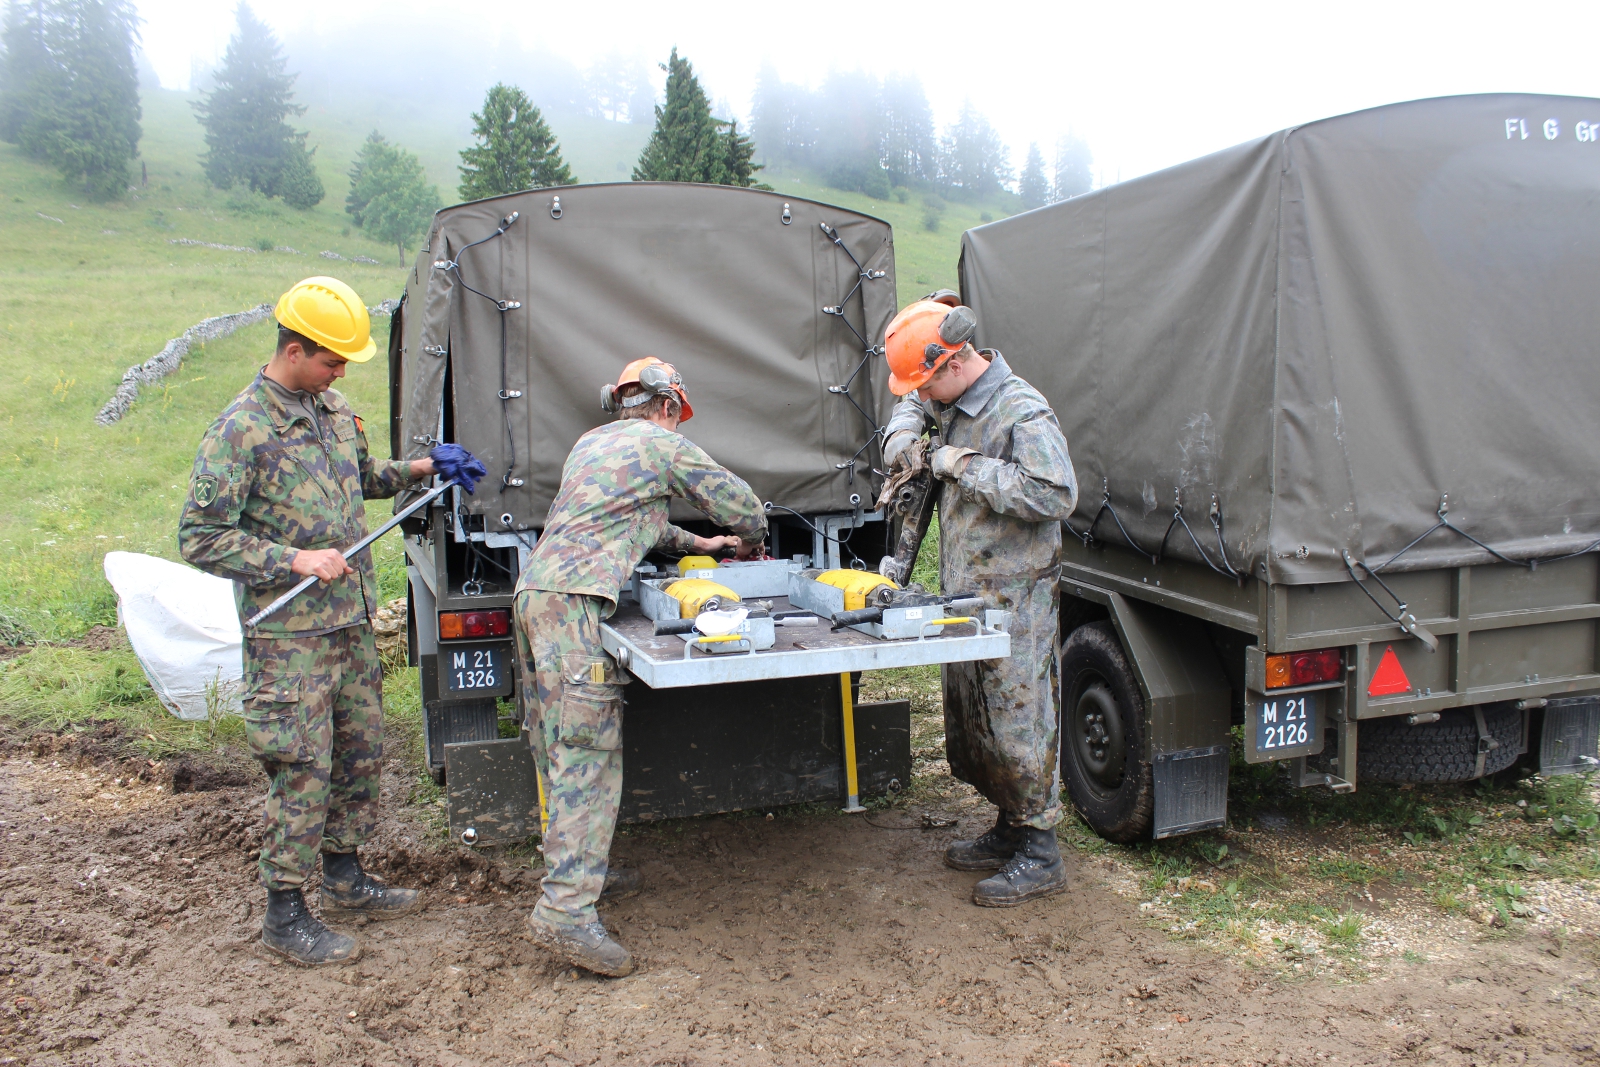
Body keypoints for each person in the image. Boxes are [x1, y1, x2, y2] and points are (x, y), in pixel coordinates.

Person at [179, 276, 481, 965]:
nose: (341, 372)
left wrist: (424, 466)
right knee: (302, 767)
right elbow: (199, 536)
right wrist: (293, 559)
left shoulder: (333, 409)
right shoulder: (240, 430)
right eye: (332, 360)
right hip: (290, 641)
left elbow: (363, 475)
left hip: (348, 627)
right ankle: (284, 912)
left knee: (357, 756)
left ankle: (345, 876)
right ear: (292, 350)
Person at [515, 357, 768, 977]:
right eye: (676, 417)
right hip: (574, 605)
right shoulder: (658, 443)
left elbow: (641, 524)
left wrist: (704, 546)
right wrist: (752, 535)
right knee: (586, 755)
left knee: (557, 746)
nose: (675, 426)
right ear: (664, 407)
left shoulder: (593, 444)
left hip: (538, 595)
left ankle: (581, 871)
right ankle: (566, 914)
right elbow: (736, 501)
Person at [880, 290, 1079, 907]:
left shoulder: (1020, 412)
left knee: (1019, 717)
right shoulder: (951, 397)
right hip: (968, 591)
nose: (921, 394)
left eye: (925, 383)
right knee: (976, 718)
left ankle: (1042, 851)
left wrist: (960, 465)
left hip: (1017, 594)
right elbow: (912, 409)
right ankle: (1008, 827)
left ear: (955, 362)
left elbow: (1054, 493)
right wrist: (905, 437)